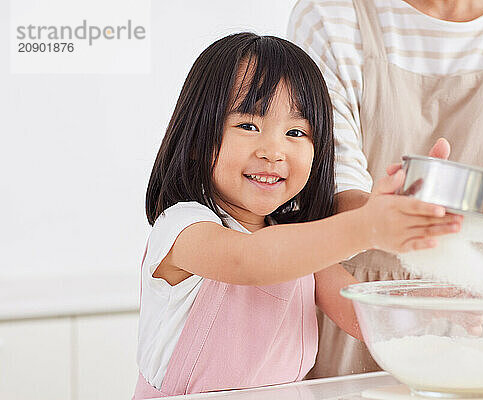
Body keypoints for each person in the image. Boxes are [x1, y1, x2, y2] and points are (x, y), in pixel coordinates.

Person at [132, 32, 462, 398]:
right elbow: (250, 260)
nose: (273, 151)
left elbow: (363, 315)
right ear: (196, 140)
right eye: (248, 125)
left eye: (295, 132)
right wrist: (367, 226)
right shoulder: (182, 228)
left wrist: (436, 306)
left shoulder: (297, 243)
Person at [288, 0, 483, 378]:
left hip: (474, 321)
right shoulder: (330, 16)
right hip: (349, 311)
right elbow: (323, 192)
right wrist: (385, 221)